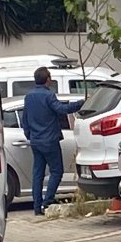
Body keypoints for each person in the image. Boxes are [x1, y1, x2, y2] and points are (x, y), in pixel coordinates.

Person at [22, 67, 86, 216]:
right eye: (50, 77)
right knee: (56, 171)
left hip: (36, 141)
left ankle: (37, 206)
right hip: (49, 140)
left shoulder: (29, 97)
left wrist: (29, 135)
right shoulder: (49, 96)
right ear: (47, 79)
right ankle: (48, 202)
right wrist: (80, 103)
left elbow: (25, 119)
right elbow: (61, 109)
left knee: (38, 173)